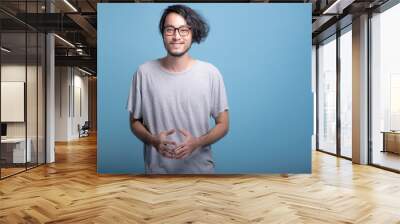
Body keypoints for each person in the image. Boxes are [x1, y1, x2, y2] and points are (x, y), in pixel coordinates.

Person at [126, 4, 229, 174]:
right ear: (163, 34)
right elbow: (134, 122)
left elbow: (223, 124)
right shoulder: (143, 73)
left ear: (192, 33)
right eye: (170, 29)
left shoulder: (211, 73)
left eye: (183, 30)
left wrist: (197, 142)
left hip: (201, 174)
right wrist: (153, 140)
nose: (176, 36)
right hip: (157, 176)